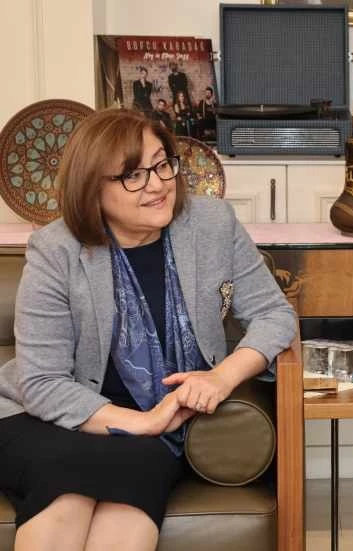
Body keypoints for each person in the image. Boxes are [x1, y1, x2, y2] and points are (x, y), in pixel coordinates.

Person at [0, 108, 297, 550]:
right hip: (46, 420)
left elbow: (275, 314)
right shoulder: (56, 250)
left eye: (162, 165)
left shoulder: (212, 225)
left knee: (138, 470)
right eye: (132, 176)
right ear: (91, 188)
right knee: (68, 490)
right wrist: (143, 422)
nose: (157, 184)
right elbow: (42, 384)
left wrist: (221, 377)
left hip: (152, 435)